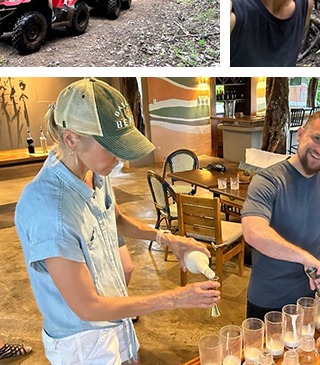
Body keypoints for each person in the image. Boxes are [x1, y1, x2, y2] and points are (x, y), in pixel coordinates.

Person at [15, 78, 220, 365]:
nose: (120, 159)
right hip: (82, 341)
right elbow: (88, 306)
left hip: (115, 314)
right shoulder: (51, 210)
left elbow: (115, 219)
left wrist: (166, 238)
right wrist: (175, 299)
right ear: (71, 138)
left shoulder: (91, 170)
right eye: (111, 147)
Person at [241, 109, 320, 320]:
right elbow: (254, 233)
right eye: (317, 138)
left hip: (312, 296)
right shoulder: (268, 181)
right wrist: (306, 258)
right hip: (269, 298)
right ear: (300, 135)